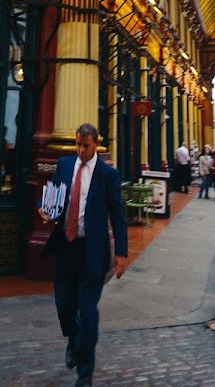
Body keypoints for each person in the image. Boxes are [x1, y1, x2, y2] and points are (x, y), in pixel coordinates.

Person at [39, 123, 128, 387]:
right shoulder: (65, 165)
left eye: (85, 145)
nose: (80, 150)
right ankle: (74, 339)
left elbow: (118, 216)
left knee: (88, 311)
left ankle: (85, 372)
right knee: (64, 305)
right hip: (67, 247)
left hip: (93, 252)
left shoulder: (107, 175)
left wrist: (121, 253)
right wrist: (43, 210)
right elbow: (51, 196)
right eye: (78, 144)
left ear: (96, 144)